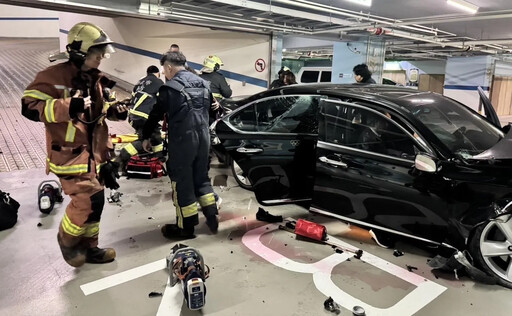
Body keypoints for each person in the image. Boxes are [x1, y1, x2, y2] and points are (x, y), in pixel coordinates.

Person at [21, 22, 128, 267]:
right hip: (70, 157)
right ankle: (67, 242)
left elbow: (100, 112)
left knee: (97, 202)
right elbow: (29, 107)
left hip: (97, 156)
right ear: (80, 51)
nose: (101, 56)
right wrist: (68, 106)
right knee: (85, 202)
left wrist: (116, 111)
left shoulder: (96, 80)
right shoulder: (52, 77)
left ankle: (91, 248)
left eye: (103, 51)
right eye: (96, 51)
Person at [142, 51, 219, 239]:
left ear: (168, 67)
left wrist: (146, 136)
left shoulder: (171, 88)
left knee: (182, 182)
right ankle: (212, 218)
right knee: (201, 177)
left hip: (183, 141)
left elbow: (155, 114)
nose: (165, 73)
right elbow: (213, 111)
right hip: (204, 138)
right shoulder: (204, 84)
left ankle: (186, 228)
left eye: (164, 69)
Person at [117, 65, 164, 169]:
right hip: (144, 116)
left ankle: (157, 157)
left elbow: (133, 98)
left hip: (133, 116)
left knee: (152, 136)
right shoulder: (158, 82)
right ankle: (123, 156)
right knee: (152, 137)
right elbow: (163, 99)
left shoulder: (139, 82)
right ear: (157, 73)